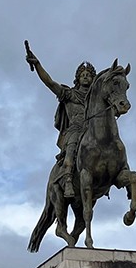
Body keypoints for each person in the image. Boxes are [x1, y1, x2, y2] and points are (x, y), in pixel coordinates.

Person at [25, 42, 96, 198]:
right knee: (72, 146)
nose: (85, 77)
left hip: (93, 131)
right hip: (75, 129)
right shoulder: (68, 94)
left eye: (88, 75)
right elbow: (49, 82)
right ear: (78, 78)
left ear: (92, 79)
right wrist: (37, 64)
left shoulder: (95, 100)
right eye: (82, 75)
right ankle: (68, 179)